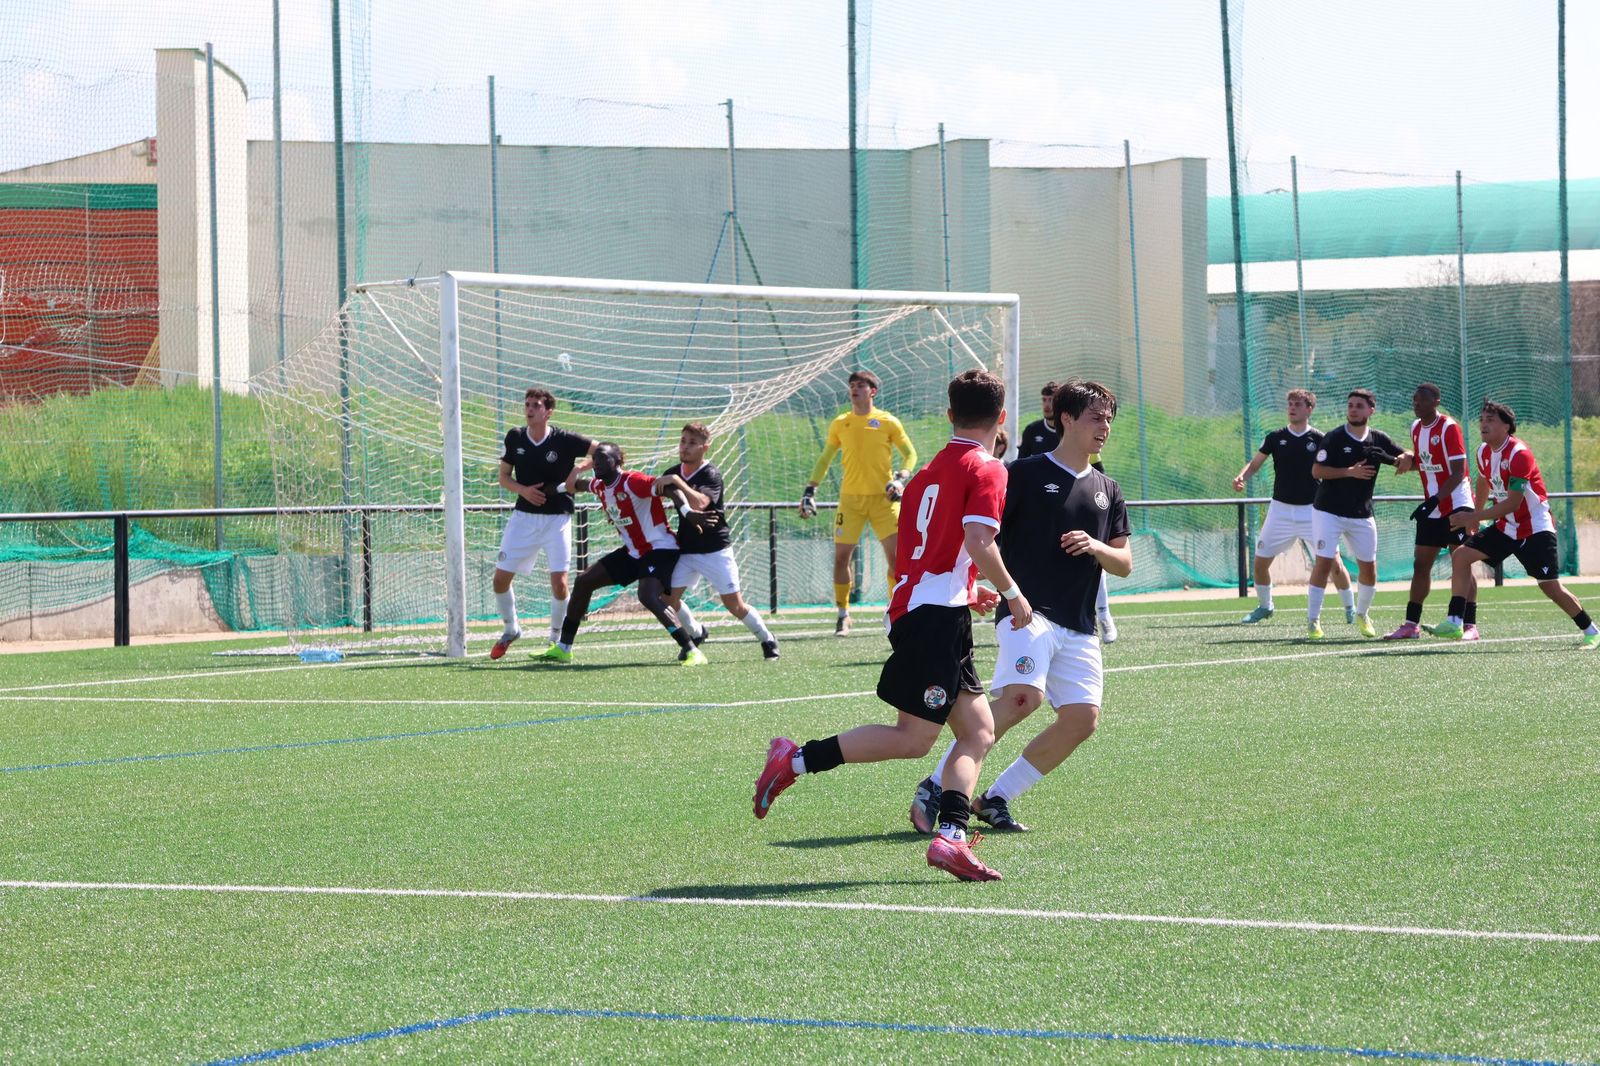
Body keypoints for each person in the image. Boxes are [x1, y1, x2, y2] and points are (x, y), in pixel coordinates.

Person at [755, 369, 1025, 882]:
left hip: (928, 612)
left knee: (979, 731)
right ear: (1002, 418)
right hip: (934, 622)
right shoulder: (988, 468)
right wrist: (1014, 594)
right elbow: (977, 542)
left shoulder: (924, 474)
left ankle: (950, 836)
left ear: (949, 415)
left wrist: (970, 592)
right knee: (914, 739)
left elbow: (924, 556)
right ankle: (795, 760)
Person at [910, 379, 1132, 836]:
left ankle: (995, 798)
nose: (1104, 426)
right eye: (1095, 417)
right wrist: (985, 589)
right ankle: (936, 784)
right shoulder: (1021, 474)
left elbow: (1124, 563)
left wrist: (1095, 546)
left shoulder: (1109, 489)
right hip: (1027, 613)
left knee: (1081, 720)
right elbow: (980, 537)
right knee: (1021, 698)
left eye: (1109, 418)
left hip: (1080, 623)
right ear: (1065, 419)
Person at [1433, 400, 1600, 649]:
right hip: (1506, 526)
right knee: (1461, 556)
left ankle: (1591, 630)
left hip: (1535, 528)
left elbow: (1513, 503)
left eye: (1490, 420)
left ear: (1507, 426)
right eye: (1481, 420)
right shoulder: (1483, 452)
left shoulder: (1518, 454)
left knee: (1550, 587)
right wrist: (1477, 515)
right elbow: (1483, 482)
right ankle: (1456, 620)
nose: (1483, 424)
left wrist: (1472, 518)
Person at [541, 442, 706, 665]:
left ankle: (692, 650)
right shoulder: (599, 485)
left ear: (618, 461)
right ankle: (563, 648)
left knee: (647, 596)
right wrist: (551, 490)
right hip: (634, 552)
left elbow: (669, 489)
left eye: (603, 459)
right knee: (583, 581)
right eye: (596, 460)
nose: (598, 463)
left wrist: (687, 512)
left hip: (660, 548)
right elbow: (578, 486)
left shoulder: (632, 481)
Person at [799, 370, 918, 636]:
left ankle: (896, 612)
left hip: (883, 502)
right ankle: (843, 614)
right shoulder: (841, 423)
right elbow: (825, 459)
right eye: (852, 385)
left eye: (861, 385)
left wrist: (900, 479)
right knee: (841, 559)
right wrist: (810, 489)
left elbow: (910, 454)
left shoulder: (888, 422)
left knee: (897, 560)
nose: (855, 389)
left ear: (872, 391)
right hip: (850, 501)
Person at [657, 422, 781, 661]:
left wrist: (677, 481)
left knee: (734, 606)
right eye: (683, 441)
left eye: (692, 443)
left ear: (705, 447)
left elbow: (700, 503)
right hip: (685, 549)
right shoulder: (672, 472)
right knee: (667, 599)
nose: (685, 447)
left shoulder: (710, 474)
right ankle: (696, 632)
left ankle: (767, 638)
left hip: (715, 549)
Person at [1232, 388, 1355, 626]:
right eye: (1289, 403)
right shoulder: (1275, 437)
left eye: (1298, 404)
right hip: (1280, 510)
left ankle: (1351, 608)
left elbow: (1337, 468)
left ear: (1309, 409)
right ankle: (1265, 606)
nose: (1292, 408)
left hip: (1313, 511)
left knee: (1334, 564)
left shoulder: (1320, 439)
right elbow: (1255, 463)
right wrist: (1241, 478)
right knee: (1260, 562)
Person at [490, 387, 596, 661]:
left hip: (557, 519)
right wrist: (523, 491)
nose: (530, 409)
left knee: (559, 582)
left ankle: (555, 639)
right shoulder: (515, 437)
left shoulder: (564, 440)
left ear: (548, 412)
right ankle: (511, 628)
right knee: (500, 580)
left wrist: (578, 470)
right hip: (523, 519)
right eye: (527, 404)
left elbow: (604, 451)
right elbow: (504, 476)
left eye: (536, 405)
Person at [1305, 388, 1406, 640]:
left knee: (1369, 568)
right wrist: (1349, 471)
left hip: (1361, 513)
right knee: (1324, 562)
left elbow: (1409, 460)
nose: (1353, 409)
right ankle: (1313, 620)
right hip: (1328, 511)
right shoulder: (1335, 437)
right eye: (1350, 404)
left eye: (1359, 406)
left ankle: (1362, 614)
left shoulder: (1378, 438)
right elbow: (1317, 471)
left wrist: (1401, 458)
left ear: (1371, 410)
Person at [1385, 383, 1476, 640]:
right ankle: (1410, 624)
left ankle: (1469, 625)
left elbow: (1457, 472)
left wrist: (1436, 499)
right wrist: (1404, 460)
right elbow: (1426, 463)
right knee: (1420, 564)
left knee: (1462, 561)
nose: (1416, 403)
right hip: (1433, 506)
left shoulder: (1448, 427)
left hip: (1456, 503)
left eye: (1422, 399)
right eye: (1414, 399)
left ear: (1436, 401)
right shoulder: (1415, 428)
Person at [1016, 381, 1061, 458]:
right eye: (1044, 400)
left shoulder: (1069, 432)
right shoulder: (1032, 430)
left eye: (1051, 400)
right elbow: (1021, 462)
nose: (1046, 405)